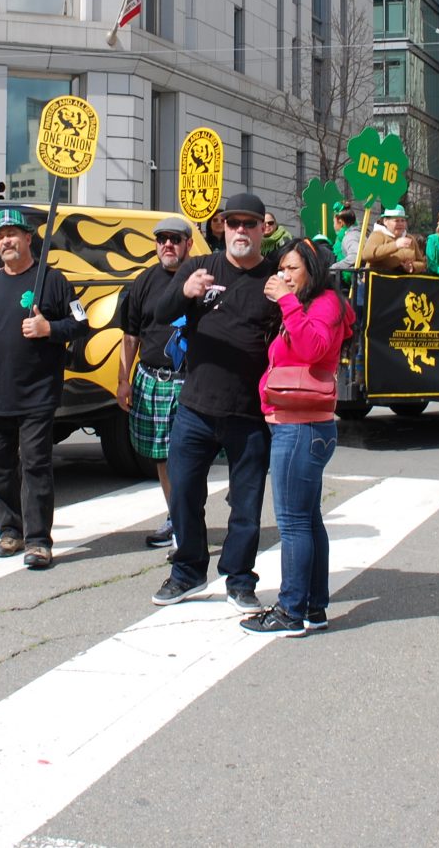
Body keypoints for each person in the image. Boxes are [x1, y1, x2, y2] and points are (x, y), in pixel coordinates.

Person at [152, 193, 279, 611]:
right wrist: (184, 292)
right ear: (222, 227)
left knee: (246, 504)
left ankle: (239, 578)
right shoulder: (199, 267)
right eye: (233, 223)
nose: (240, 230)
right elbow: (159, 311)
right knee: (185, 491)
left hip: (249, 413)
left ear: (264, 228)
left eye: (249, 224)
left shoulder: (275, 278)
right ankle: (187, 571)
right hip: (196, 406)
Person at [0, 208, 88, 570]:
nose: (6, 241)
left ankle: (38, 541)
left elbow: (81, 322)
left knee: (36, 466)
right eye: (0, 236)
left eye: (12, 233)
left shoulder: (53, 281)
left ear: (28, 238)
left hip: (37, 394)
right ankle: (11, 532)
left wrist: (49, 330)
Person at [240, 237, 354, 637]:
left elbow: (313, 347)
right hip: (302, 425)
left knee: (292, 524)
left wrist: (287, 301)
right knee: (307, 520)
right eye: (282, 269)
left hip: (300, 427)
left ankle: (290, 610)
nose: (284, 275)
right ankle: (313, 607)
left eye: (292, 268)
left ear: (312, 269)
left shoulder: (322, 303)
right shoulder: (311, 305)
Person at [114, 217, 194, 549]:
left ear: (188, 243)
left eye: (174, 239)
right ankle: (177, 518)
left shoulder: (203, 276)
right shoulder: (144, 281)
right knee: (163, 456)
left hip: (192, 380)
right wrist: (123, 381)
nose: (167, 245)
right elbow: (130, 336)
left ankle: (189, 519)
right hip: (154, 379)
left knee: (190, 455)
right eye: (161, 239)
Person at [360, 207, 426, 273]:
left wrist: (412, 267)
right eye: (396, 220)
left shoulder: (410, 238)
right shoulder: (378, 235)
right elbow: (367, 255)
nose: (400, 224)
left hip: (403, 282)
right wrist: (395, 245)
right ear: (385, 221)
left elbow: (422, 262)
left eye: (403, 220)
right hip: (379, 281)